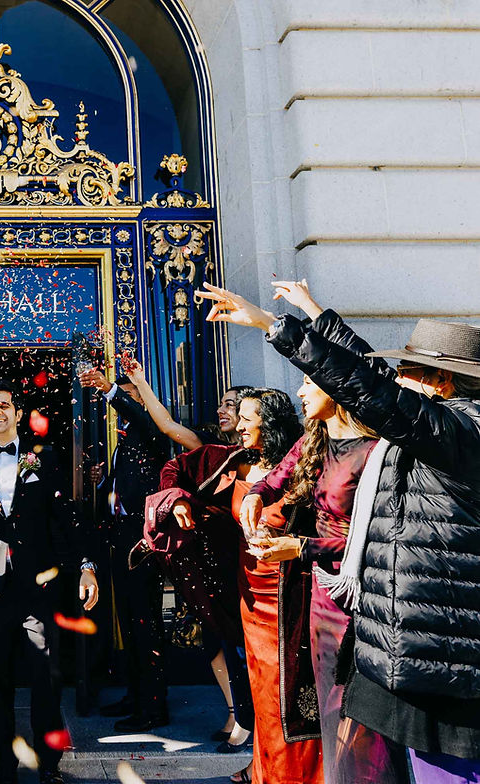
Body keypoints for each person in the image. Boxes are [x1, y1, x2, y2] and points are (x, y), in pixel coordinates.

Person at [199, 279, 480, 784]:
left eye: (409, 371)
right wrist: (312, 313)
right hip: (408, 640)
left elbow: (370, 390)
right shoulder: (439, 425)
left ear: (439, 383)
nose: (398, 378)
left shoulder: (456, 431)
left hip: (444, 657)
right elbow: (369, 374)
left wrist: (272, 325)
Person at [234, 284, 409, 784]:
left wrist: (300, 546)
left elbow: (370, 539)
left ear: (336, 388)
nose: (303, 392)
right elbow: (274, 479)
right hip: (317, 597)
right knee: (329, 708)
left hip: (361, 600)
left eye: (311, 382)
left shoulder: (373, 452)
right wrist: (254, 495)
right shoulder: (312, 440)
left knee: (363, 718)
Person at [136, 388, 319, 784]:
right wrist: (180, 501)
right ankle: (263, 766)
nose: (239, 424)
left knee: (290, 684)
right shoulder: (231, 461)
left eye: (248, 418)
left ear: (267, 423)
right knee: (259, 683)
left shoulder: (305, 464)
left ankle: (297, 772)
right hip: (247, 592)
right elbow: (175, 470)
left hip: (294, 592)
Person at [0, 380, 99, 784]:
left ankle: (49, 767)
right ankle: (4, 768)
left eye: (5, 405)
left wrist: (86, 565)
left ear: (18, 414)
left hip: (39, 586)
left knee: (46, 677)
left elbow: (66, 517)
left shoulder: (45, 460)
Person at [78, 367, 171, 731]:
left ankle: (154, 708)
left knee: (145, 623)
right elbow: (122, 490)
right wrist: (101, 484)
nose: (127, 403)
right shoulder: (126, 438)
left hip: (142, 542)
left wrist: (110, 388)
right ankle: (136, 696)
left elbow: (139, 414)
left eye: (133, 396)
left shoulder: (154, 430)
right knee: (130, 622)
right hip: (120, 539)